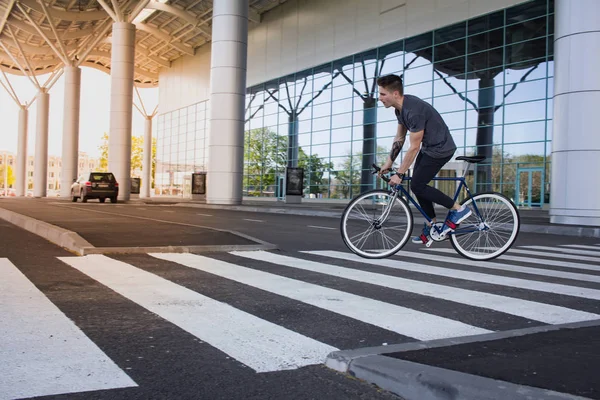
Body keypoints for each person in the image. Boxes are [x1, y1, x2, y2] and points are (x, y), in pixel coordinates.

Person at [376, 74, 471, 244]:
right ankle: (432, 226)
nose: (379, 98)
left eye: (383, 94)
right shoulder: (400, 109)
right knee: (417, 186)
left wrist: (399, 173)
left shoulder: (413, 111)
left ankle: (459, 209)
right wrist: (389, 163)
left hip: (441, 149)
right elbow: (399, 138)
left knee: (417, 185)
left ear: (395, 93)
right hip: (429, 148)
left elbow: (414, 147)